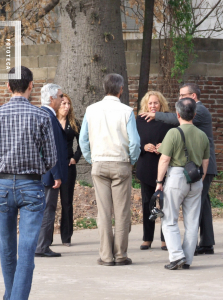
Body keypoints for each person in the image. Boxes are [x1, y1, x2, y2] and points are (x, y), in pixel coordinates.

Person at [0, 66, 57, 300]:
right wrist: (35, 169)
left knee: (7, 250)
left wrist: (5, 170)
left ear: (7, 86)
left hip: (3, 186)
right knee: (26, 253)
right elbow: (52, 159)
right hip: (32, 186)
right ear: (31, 86)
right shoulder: (41, 116)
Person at [141, 83, 217, 255]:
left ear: (193, 96)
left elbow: (178, 118)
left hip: (199, 169)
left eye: (183, 96)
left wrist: (155, 115)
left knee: (195, 209)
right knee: (203, 205)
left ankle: (195, 247)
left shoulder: (200, 110)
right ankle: (206, 243)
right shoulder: (198, 110)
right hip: (200, 167)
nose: (180, 98)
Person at [79, 73, 141, 266]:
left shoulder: (91, 110)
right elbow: (135, 142)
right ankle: (121, 254)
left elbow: (83, 140)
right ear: (121, 89)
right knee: (122, 212)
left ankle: (106, 256)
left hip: (99, 163)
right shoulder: (126, 111)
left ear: (104, 88)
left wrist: (92, 159)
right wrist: (131, 160)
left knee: (104, 213)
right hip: (121, 163)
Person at [156, 98, 210, 270]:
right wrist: (200, 180)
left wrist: (159, 182)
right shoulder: (202, 135)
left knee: (169, 218)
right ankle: (187, 259)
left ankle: (176, 256)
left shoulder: (173, 133)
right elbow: (205, 161)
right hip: (195, 179)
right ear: (194, 114)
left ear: (178, 114)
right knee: (192, 222)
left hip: (177, 177)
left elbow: (164, 159)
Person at [136, 91, 174, 251]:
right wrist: (143, 147)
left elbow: (174, 140)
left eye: (156, 103)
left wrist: (164, 147)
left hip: (163, 167)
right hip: (146, 165)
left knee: (165, 204)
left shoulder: (167, 121)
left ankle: (165, 239)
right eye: (150, 103)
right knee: (147, 203)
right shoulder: (139, 121)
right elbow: (134, 142)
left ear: (161, 104)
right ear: (145, 104)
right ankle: (147, 238)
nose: (153, 106)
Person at [35, 84, 68, 258]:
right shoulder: (48, 116)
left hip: (43, 172)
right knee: (48, 209)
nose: (63, 99)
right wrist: (56, 174)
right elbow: (51, 148)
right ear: (51, 98)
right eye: (60, 96)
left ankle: (40, 244)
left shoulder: (42, 114)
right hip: (49, 174)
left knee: (43, 209)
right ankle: (42, 246)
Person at [56, 94, 82, 247]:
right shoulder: (51, 121)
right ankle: (46, 238)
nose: (66, 106)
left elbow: (82, 143)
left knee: (67, 202)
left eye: (68, 104)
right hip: (52, 167)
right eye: (63, 103)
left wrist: (75, 158)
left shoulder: (74, 123)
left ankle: (66, 237)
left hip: (68, 166)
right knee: (50, 203)